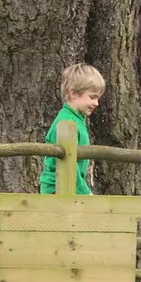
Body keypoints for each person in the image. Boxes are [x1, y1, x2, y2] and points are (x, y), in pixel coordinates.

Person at [39, 63, 104, 195]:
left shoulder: (77, 119)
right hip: (57, 189)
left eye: (98, 98)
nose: (96, 103)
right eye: (92, 97)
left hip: (69, 185)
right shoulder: (66, 122)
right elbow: (69, 165)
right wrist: (86, 193)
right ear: (73, 93)